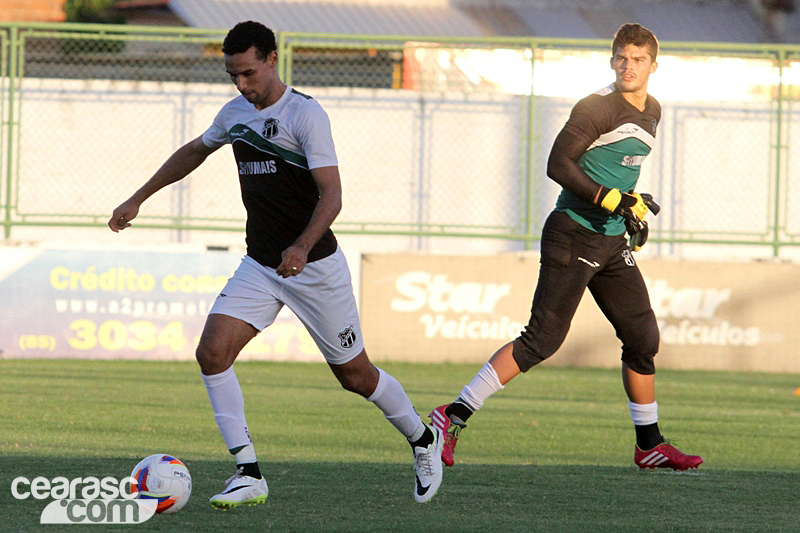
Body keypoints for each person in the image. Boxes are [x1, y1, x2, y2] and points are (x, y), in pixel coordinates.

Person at [109, 21, 442, 507]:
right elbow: (194, 152)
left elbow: (332, 194)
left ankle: (422, 438)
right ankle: (249, 473)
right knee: (212, 353)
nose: (242, 84)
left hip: (315, 267)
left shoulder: (305, 114)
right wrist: (138, 198)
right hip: (261, 266)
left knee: (355, 376)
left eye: (248, 72)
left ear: (271, 59)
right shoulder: (234, 113)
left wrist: (303, 246)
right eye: (232, 76)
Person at [430, 23, 703, 472]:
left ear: (655, 65)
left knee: (642, 338)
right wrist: (611, 197)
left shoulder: (653, 108)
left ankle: (648, 445)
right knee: (542, 341)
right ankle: (450, 417)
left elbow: (615, 170)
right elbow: (558, 164)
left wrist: (632, 201)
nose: (627, 66)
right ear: (611, 59)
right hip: (572, 233)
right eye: (621, 58)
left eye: (637, 59)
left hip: (611, 239)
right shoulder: (597, 107)